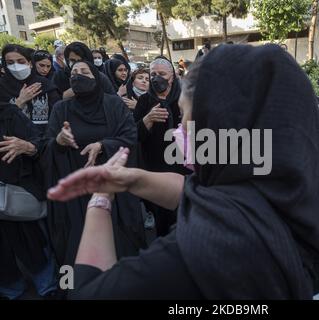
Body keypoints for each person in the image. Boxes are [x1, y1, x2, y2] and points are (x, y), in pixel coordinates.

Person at [47, 44, 319, 300]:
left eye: (185, 114)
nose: (180, 126)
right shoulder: (291, 192)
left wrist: (100, 199)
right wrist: (133, 179)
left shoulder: (196, 252)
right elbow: (199, 193)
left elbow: (87, 290)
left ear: (218, 124)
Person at [42, 61, 147, 275]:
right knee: (78, 243)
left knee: (119, 242)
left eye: (84, 72)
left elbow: (129, 136)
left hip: (112, 186)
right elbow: (46, 145)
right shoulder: (61, 109)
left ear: (97, 77)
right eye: (74, 73)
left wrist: (102, 145)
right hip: (76, 189)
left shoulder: (114, 104)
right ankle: (79, 287)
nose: (78, 76)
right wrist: (59, 141)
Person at [0, 102, 57, 299]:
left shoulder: (10, 114)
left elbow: (40, 144)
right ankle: (11, 289)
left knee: (33, 243)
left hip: (18, 191)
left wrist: (27, 147)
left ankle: (48, 286)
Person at [134, 56, 191, 237]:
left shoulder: (185, 98)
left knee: (186, 214)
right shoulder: (144, 102)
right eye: (153, 74)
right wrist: (147, 120)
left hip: (183, 166)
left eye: (162, 74)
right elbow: (134, 135)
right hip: (156, 166)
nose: (157, 78)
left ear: (172, 76)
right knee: (163, 218)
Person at [0, 44, 61, 135]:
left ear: (30, 63)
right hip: (12, 144)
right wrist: (19, 103)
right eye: (10, 63)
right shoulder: (1, 87)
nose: (16, 66)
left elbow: (58, 117)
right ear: (5, 65)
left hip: (44, 143)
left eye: (21, 62)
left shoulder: (44, 84)